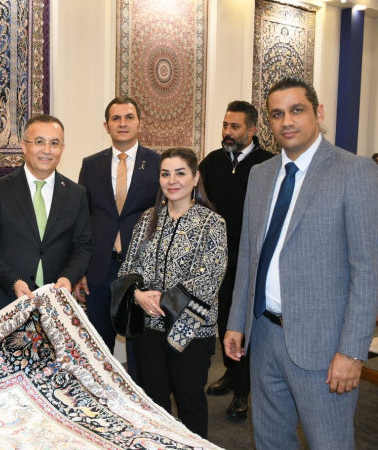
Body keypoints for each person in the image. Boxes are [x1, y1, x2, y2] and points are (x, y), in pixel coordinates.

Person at [224, 77, 378, 448]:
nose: (287, 121)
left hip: (324, 346)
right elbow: (249, 256)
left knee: (329, 442)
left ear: (319, 112)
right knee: (270, 441)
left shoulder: (355, 172)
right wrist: (236, 322)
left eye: (296, 110)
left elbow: (368, 272)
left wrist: (352, 351)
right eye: (277, 114)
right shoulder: (261, 175)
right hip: (264, 335)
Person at [118, 147, 226, 438]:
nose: (172, 180)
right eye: (165, 174)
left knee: (190, 401)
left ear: (195, 177)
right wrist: (138, 295)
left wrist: (163, 302)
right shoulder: (147, 219)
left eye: (180, 173)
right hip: (148, 330)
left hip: (191, 331)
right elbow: (127, 268)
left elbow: (209, 277)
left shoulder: (212, 223)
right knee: (154, 401)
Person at [0, 114, 93, 316]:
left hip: (56, 305)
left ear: (62, 148)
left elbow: (84, 246)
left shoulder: (76, 193)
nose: (47, 150)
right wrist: (13, 281)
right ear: (23, 146)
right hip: (7, 303)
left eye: (54, 143)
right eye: (39, 142)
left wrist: (68, 278)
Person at [198, 101, 273, 419]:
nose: (227, 132)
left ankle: (243, 393)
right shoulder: (213, 162)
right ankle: (231, 373)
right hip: (220, 257)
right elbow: (200, 201)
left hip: (253, 258)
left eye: (235, 127)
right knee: (225, 318)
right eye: (225, 125)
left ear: (252, 130)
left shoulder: (268, 164)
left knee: (244, 324)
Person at [74, 96, 160, 353]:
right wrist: (80, 270)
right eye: (116, 118)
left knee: (139, 352)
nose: (123, 123)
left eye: (129, 117)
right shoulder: (91, 165)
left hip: (142, 270)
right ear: (106, 126)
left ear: (140, 124)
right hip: (100, 269)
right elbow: (81, 219)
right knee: (98, 349)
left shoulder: (157, 164)